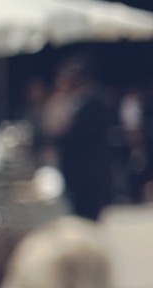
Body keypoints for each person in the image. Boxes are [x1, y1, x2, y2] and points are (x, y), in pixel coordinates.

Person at [47, 59, 112, 222]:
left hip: (88, 177)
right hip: (78, 175)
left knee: (86, 221)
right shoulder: (74, 102)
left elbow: (74, 137)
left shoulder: (94, 103)